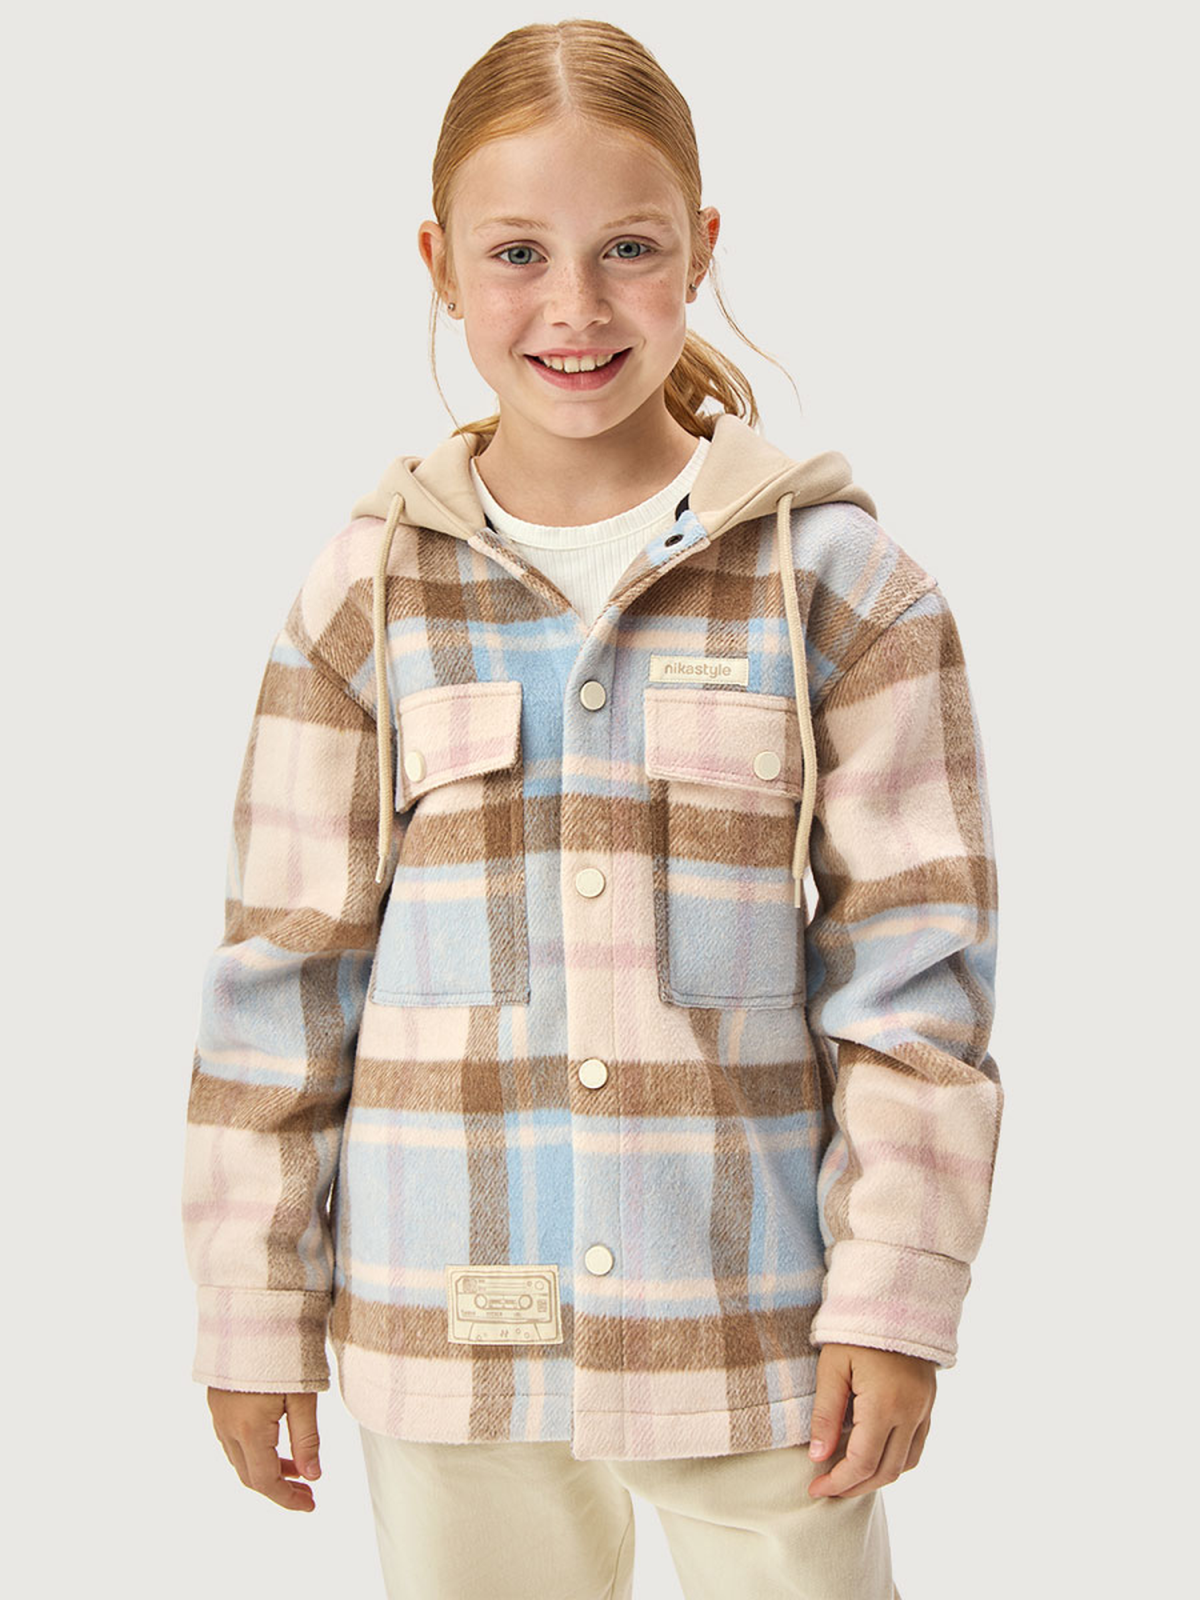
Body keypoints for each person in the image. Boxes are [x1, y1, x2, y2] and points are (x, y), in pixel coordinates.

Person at [181, 18, 1003, 1599]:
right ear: (440, 265)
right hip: (443, 1323)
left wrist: (896, 1297)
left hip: (754, 1322)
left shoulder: (843, 585)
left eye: (629, 247)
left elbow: (918, 976)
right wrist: (252, 1309)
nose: (574, 307)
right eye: (518, 254)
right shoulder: (365, 592)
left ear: (701, 246)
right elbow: (282, 972)